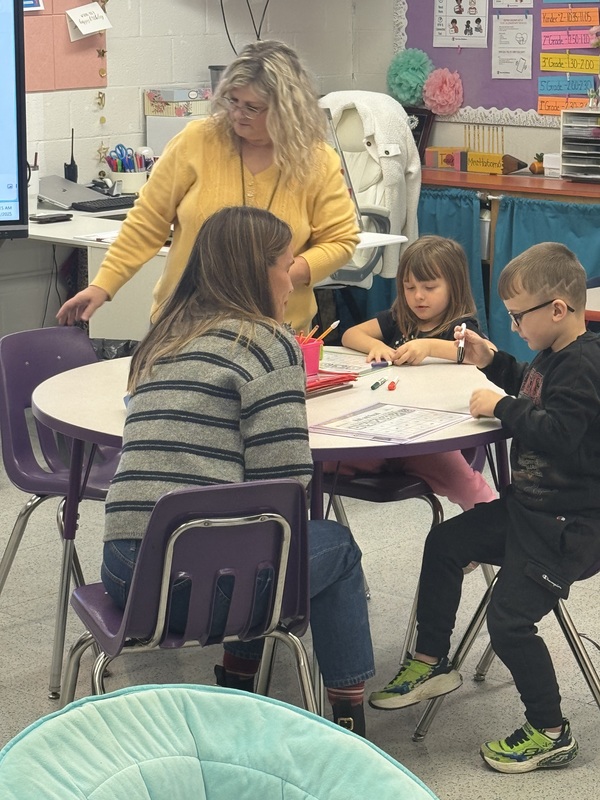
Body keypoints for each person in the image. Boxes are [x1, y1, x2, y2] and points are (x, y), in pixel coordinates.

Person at [101, 206, 374, 736]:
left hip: (125, 574)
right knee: (331, 546)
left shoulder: (162, 339)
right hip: (195, 584)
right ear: (257, 271)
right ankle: (349, 723)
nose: (294, 274)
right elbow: (285, 493)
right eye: (287, 262)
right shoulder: (267, 343)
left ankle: (240, 687)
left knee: (251, 541)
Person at [369, 242, 600, 773]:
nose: (514, 324)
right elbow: (532, 386)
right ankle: (430, 662)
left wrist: (501, 406)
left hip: (567, 529)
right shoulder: (554, 354)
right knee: (447, 542)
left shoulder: (586, 366)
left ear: (558, 310)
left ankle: (550, 731)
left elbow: (560, 432)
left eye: (519, 316)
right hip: (530, 515)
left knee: (509, 621)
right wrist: (493, 362)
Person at [56, 40, 359, 335]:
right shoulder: (197, 140)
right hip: (186, 327)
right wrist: (103, 285)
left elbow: (341, 241)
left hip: (278, 331)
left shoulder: (317, 160)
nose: (238, 114)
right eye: (232, 101)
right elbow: (146, 223)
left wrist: (277, 277)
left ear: (286, 109)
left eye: (252, 107)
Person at [332, 235, 495, 513]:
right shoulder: (399, 318)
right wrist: (376, 345)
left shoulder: (460, 326)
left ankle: (496, 540)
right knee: (316, 463)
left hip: (429, 442)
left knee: (466, 484)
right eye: (409, 287)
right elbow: (350, 333)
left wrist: (430, 346)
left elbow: (487, 353)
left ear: (453, 287)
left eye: (429, 287)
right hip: (379, 432)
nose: (418, 296)